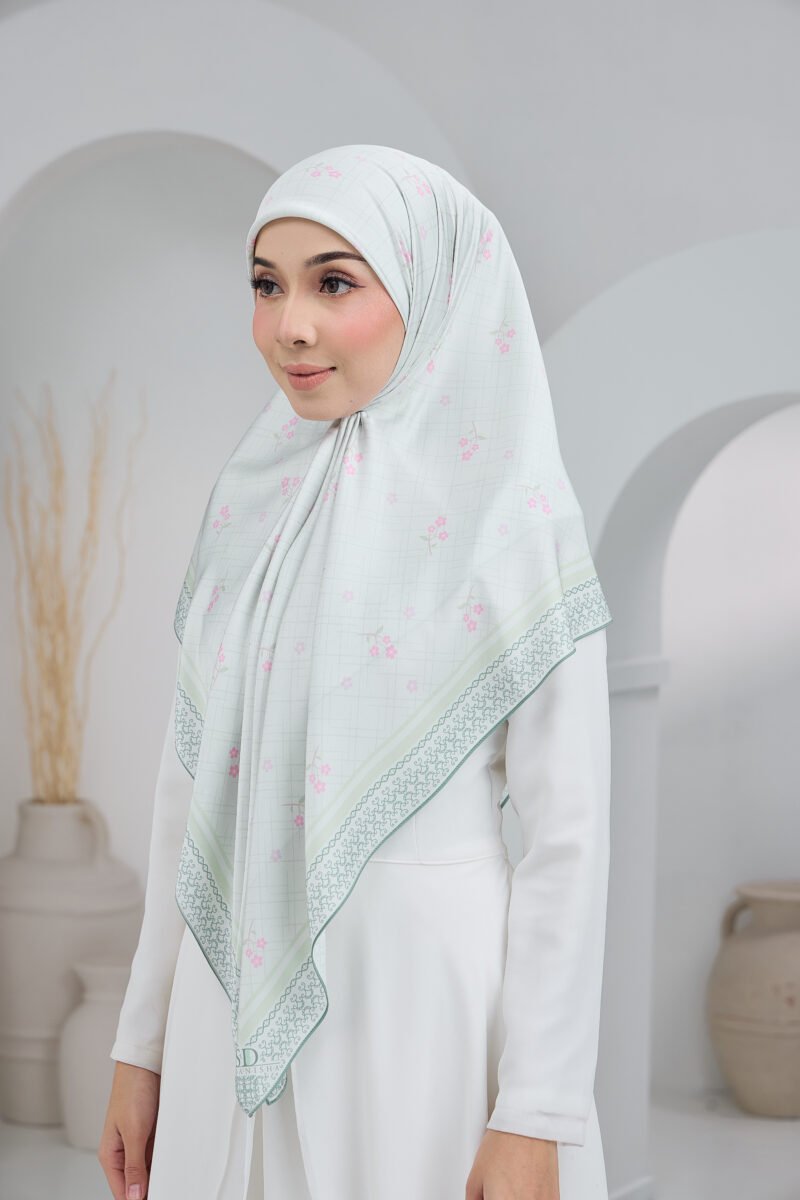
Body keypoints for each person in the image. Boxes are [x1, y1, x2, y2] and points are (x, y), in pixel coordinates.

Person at [98, 143, 613, 1200]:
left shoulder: (515, 529)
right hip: (218, 1015)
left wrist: (535, 1110)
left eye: (334, 283)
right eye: (266, 285)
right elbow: (186, 798)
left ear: (432, 289)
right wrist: (141, 1045)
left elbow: (567, 843)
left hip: (423, 1022)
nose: (290, 325)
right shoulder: (250, 507)